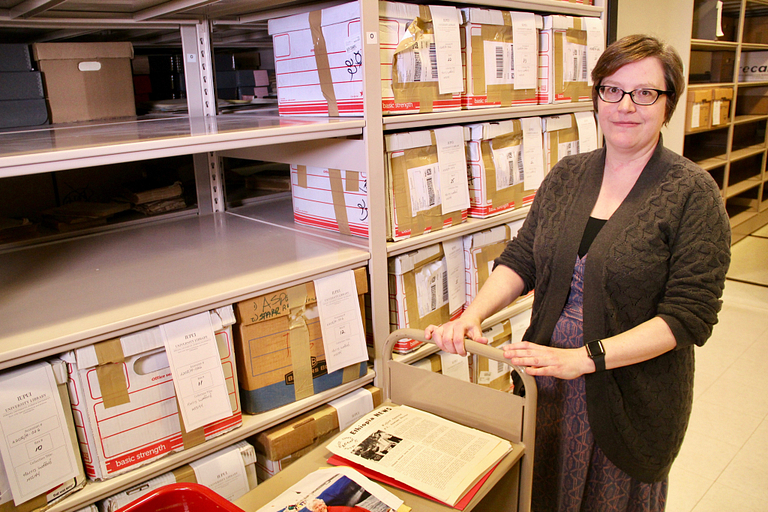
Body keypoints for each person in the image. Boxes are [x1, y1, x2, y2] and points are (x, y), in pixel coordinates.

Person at [425, 34, 731, 512]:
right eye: (613, 89)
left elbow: (688, 317)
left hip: (628, 397)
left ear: (668, 104)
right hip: (545, 385)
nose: (626, 105)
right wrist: (473, 314)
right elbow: (523, 257)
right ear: (597, 97)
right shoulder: (567, 174)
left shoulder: (693, 193)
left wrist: (585, 359)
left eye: (645, 92)